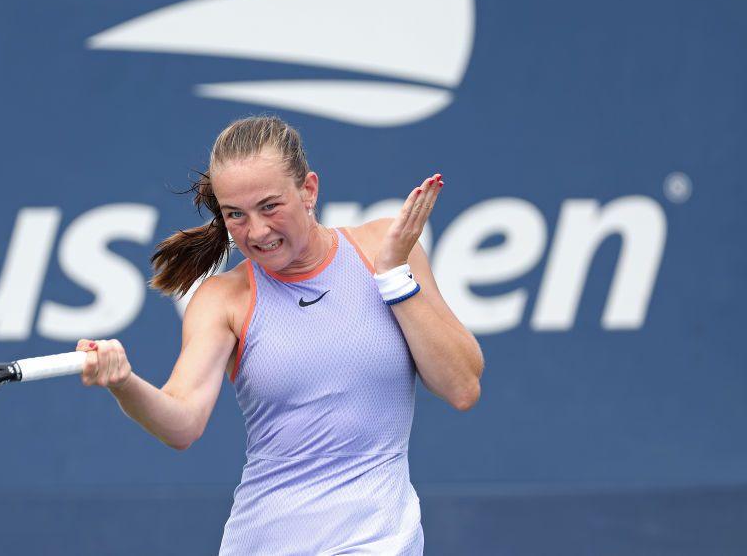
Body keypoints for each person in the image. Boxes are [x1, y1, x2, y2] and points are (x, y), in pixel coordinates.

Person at [75, 115, 484, 555]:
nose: (257, 231)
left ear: (308, 190)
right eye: (236, 215)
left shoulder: (385, 247)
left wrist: (393, 277)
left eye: (270, 206)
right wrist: (123, 383)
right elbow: (182, 423)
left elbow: (462, 386)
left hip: (378, 541)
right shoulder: (224, 299)